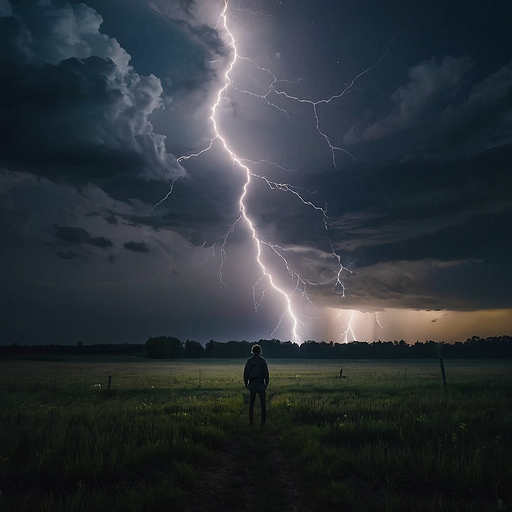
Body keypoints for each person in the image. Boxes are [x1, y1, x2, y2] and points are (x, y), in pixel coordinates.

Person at [243, 344, 269, 425]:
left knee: (251, 404)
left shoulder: (249, 361)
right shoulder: (263, 361)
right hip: (261, 383)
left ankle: (251, 422)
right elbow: (266, 373)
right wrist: (266, 384)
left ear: (253, 351)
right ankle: (263, 422)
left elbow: (246, 373)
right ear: (260, 351)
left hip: (252, 383)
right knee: (263, 404)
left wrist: (246, 383)